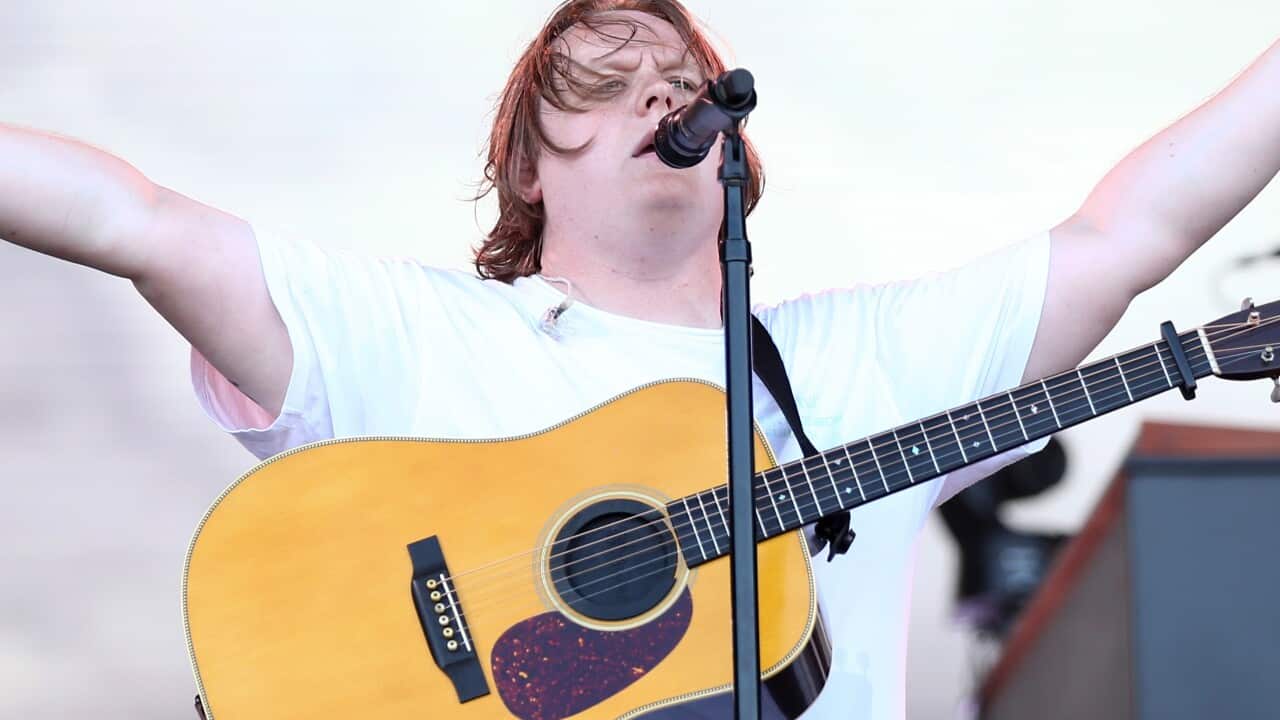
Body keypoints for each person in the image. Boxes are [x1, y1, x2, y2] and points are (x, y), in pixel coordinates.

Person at [2, 1, 1277, 718]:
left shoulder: (861, 364)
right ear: (523, 164)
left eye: (682, 77)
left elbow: (1128, 232)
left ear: (733, 143)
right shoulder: (409, 332)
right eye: (601, 81)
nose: (658, 95)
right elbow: (132, 220)